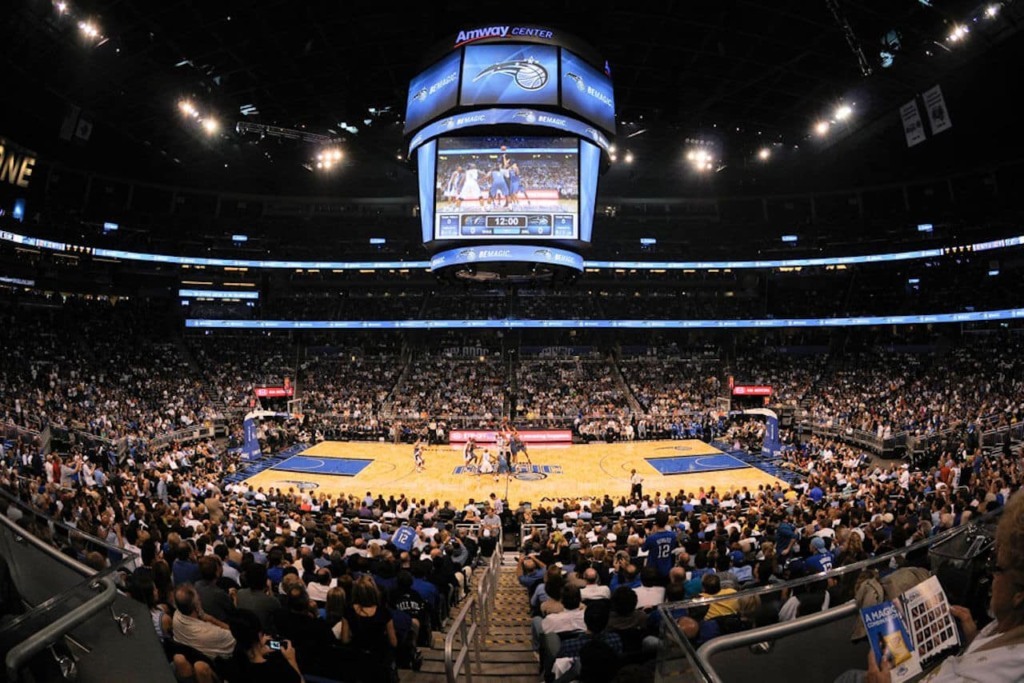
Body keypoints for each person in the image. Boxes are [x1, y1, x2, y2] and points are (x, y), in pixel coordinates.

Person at [841, 490, 1024, 682]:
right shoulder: (1009, 626)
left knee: (849, 677)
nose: (991, 575)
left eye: (996, 567)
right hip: (951, 663)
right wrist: (973, 638)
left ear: (1019, 595)